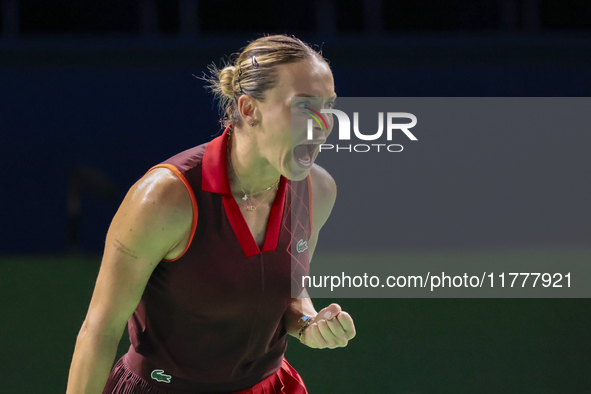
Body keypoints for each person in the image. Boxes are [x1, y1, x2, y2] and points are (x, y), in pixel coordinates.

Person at [66, 34, 356, 394]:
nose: (322, 123)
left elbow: (290, 294)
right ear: (249, 109)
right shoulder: (165, 198)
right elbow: (100, 330)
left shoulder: (318, 191)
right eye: (303, 107)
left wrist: (310, 323)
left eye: (328, 107)